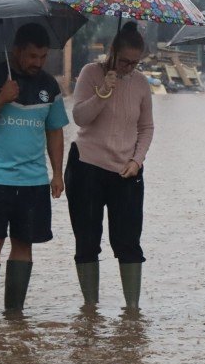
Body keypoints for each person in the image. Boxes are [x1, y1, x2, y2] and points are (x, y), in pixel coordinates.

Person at [0, 23, 69, 317]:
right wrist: (0, 99)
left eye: (43, 56)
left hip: (34, 182)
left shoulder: (49, 86)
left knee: (24, 244)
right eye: (32, 56)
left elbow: (55, 131)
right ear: (17, 51)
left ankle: (15, 314)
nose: (38, 62)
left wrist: (57, 173)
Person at [65, 21, 154, 310]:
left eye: (135, 63)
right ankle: (90, 310)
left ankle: (132, 311)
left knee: (128, 243)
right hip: (87, 166)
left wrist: (136, 161)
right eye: (125, 61)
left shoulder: (141, 83)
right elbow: (80, 116)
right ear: (113, 52)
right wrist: (103, 91)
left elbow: (146, 128)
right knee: (87, 241)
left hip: (126, 171)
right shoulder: (91, 73)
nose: (129, 67)